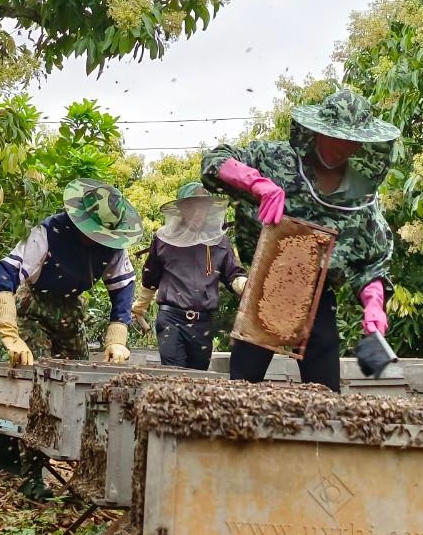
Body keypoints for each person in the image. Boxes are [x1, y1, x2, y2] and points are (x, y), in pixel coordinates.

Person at [201, 89, 398, 390]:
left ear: (361, 143)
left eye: (349, 140)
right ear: (317, 132)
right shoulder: (275, 159)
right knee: (241, 388)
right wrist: (258, 184)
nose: (340, 147)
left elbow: (371, 263)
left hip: (319, 298)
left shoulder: (363, 198)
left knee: (325, 393)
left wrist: (374, 305)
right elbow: (215, 161)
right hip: (268, 285)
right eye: (333, 137)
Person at [0, 178, 142, 366]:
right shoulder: (47, 232)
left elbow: (123, 287)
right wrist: (10, 336)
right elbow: (7, 273)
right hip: (33, 308)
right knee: (35, 368)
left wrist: (117, 339)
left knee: (79, 371)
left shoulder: (114, 246)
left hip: (71, 312)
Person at [132, 182, 247, 370]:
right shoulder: (163, 239)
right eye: (192, 207)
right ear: (181, 209)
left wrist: (245, 285)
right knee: (174, 375)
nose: (197, 212)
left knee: (197, 378)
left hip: (203, 323)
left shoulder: (220, 242)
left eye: (202, 207)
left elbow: (232, 274)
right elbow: (150, 277)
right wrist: (140, 305)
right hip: (171, 319)